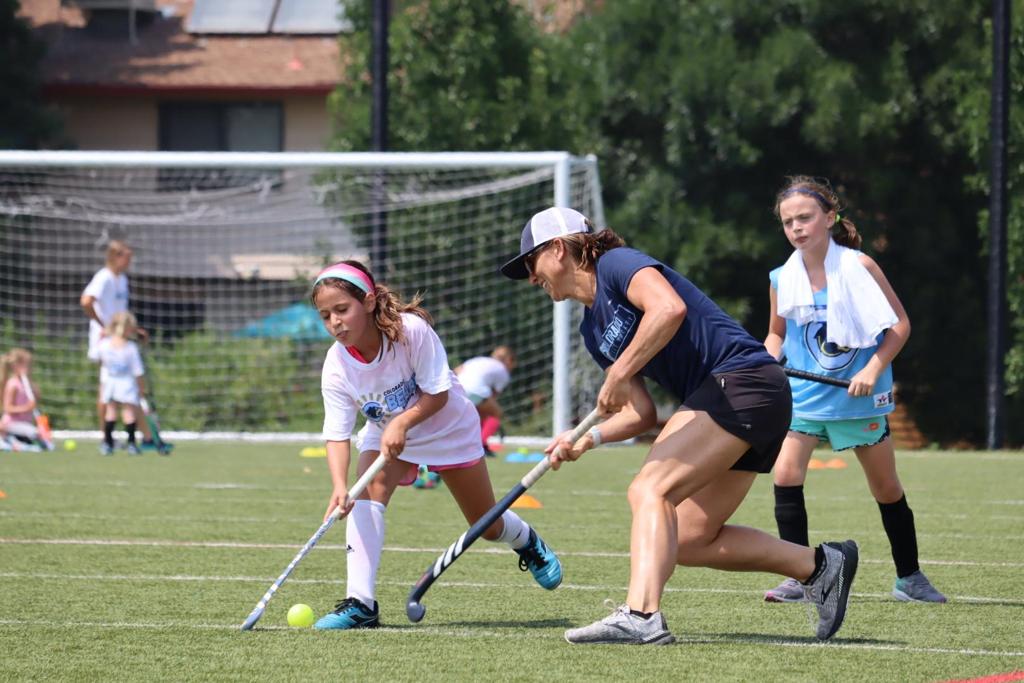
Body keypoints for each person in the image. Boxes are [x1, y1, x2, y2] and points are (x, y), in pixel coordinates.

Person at [500, 206, 860, 645]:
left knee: (649, 489)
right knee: (688, 538)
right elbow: (640, 414)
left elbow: (667, 309)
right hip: (734, 399)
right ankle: (821, 567)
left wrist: (617, 372)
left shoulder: (617, 264)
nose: (532, 278)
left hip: (741, 381)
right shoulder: (592, 329)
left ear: (558, 249)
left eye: (531, 263)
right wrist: (585, 438)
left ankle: (641, 614)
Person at [310, 260, 563, 630]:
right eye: (325, 315)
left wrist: (404, 421)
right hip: (388, 434)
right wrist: (338, 486)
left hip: (448, 428)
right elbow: (337, 432)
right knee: (365, 495)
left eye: (342, 309)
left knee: (487, 525)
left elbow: (438, 394)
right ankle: (361, 604)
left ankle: (527, 541)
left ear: (366, 302)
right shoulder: (335, 365)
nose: (335, 321)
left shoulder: (411, 332)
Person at [762, 177, 946, 604]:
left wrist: (876, 367)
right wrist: (768, 358)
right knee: (786, 476)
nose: (797, 228)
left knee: (886, 488)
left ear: (830, 218)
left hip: (856, 397)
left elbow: (899, 326)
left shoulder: (859, 267)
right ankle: (801, 576)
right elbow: (776, 334)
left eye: (805, 217)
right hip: (804, 398)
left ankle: (910, 578)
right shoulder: (780, 278)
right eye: (788, 222)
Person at [80, 240, 158, 451]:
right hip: (104, 341)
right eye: (127, 257)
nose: (130, 262)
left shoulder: (121, 279)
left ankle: (143, 436)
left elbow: (121, 314)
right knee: (108, 389)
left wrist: (133, 330)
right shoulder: (103, 277)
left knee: (125, 387)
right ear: (115, 257)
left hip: (120, 338)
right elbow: (86, 301)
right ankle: (106, 437)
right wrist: (103, 325)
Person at [96, 311, 147, 456]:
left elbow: (100, 360)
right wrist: (141, 388)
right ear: (127, 328)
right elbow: (138, 372)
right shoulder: (130, 347)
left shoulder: (105, 344)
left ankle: (107, 443)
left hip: (111, 381)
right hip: (126, 382)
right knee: (129, 413)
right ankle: (131, 444)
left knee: (110, 412)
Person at [455, 346, 517, 455]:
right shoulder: (503, 370)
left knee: (478, 415)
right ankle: (480, 446)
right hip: (476, 389)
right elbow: (493, 396)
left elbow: (457, 370)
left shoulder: (479, 360)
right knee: (495, 413)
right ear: (510, 360)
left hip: (457, 386)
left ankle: (468, 444)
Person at [1, 348, 43, 451]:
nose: (29, 368)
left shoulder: (27, 384)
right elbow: (7, 408)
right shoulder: (13, 384)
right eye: (27, 365)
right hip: (11, 423)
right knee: (34, 433)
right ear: (16, 366)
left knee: (38, 435)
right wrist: (26, 407)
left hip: (25, 423)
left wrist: (33, 388)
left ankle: (14, 442)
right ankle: (10, 441)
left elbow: (37, 398)